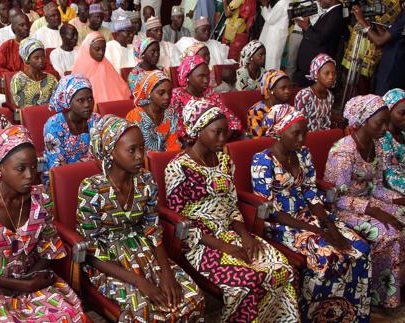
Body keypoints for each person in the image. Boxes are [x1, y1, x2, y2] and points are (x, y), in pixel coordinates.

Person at [166, 100, 300, 322]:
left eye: (225, 132)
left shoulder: (225, 161)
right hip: (201, 241)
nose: (223, 139)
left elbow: (232, 205)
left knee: (283, 269)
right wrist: (223, 246)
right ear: (198, 131)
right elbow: (181, 223)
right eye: (216, 133)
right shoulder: (178, 168)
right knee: (248, 282)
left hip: (231, 232)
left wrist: (246, 236)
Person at [77, 114, 205, 321]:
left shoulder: (145, 180)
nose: (139, 156)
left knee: (193, 298)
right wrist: (140, 282)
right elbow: (90, 252)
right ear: (111, 150)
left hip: (143, 250)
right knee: (144, 311)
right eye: (131, 150)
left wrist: (166, 272)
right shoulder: (91, 189)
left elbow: (152, 230)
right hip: (108, 261)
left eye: (142, 149)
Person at [251, 104, 371, 322]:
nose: (302, 139)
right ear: (279, 132)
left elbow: (311, 193)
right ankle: (316, 317)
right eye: (296, 133)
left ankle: (351, 315)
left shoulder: (303, 154)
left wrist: (329, 224)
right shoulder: (262, 161)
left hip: (309, 215)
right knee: (326, 256)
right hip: (282, 224)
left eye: (305, 132)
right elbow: (270, 211)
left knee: (359, 249)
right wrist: (316, 230)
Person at [0, 125, 87, 322]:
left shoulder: (40, 197)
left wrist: (26, 282)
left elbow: (49, 248)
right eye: (20, 168)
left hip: (33, 277)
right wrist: (18, 286)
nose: (29, 175)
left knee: (66, 316)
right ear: (0, 167)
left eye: (34, 167)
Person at [325, 95, 405, 309]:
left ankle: (397, 284)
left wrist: (399, 200)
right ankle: (380, 295)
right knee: (390, 233)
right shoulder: (343, 151)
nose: (386, 128)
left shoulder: (376, 146)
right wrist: (374, 211)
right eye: (381, 122)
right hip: (343, 210)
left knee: (402, 217)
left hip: (368, 201)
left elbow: (377, 187)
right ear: (363, 120)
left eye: (387, 122)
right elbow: (336, 197)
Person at [43, 75, 100, 184]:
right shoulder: (54, 125)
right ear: (68, 101)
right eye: (80, 100)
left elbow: (101, 154)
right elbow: (58, 166)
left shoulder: (95, 119)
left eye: (90, 98)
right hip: (64, 179)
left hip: (93, 175)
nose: (87, 105)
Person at [173, 55, 242, 143]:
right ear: (188, 76)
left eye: (207, 76)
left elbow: (232, 120)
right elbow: (177, 130)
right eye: (201, 76)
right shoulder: (177, 96)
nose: (206, 80)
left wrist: (220, 141)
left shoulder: (211, 93)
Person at [352, 3, 405, 94]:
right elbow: (388, 38)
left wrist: (361, 20)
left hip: (391, 71)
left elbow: (379, 41)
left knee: (383, 104)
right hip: (395, 70)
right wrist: (373, 24)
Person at [127, 70, 180, 152]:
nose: (167, 97)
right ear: (148, 93)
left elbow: (173, 145)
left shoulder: (171, 113)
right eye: (161, 93)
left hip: (168, 160)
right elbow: (133, 151)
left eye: (169, 93)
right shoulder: (135, 117)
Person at [72, 32, 131, 103]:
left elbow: (122, 90)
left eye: (103, 49)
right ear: (88, 48)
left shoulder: (106, 65)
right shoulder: (79, 68)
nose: (101, 53)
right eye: (97, 49)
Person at [295, 0, 344, 87]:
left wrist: (306, 27)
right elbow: (319, 34)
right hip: (311, 68)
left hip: (316, 68)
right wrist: (308, 25)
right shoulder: (330, 12)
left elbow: (321, 39)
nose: (318, 0)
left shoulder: (335, 14)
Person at [10, 38, 58, 109]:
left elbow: (58, 101)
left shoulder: (51, 79)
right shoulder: (18, 79)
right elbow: (19, 105)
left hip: (50, 115)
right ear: (27, 59)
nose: (41, 60)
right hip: (29, 117)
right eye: (36, 58)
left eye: (42, 57)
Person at [294, 53, 336, 131]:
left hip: (322, 137)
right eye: (327, 73)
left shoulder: (330, 96)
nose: (331, 77)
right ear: (317, 74)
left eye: (333, 73)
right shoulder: (304, 95)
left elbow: (327, 122)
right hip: (306, 137)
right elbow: (299, 124)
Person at [247, 69, 291, 138]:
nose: (287, 91)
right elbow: (257, 141)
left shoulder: (287, 107)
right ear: (271, 90)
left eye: (289, 87)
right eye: (283, 88)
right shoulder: (256, 112)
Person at [381, 89, 405, 195]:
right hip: (389, 190)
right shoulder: (383, 137)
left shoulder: (403, 134)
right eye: (403, 113)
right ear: (389, 111)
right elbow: (389, 176)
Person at [0, 11, 31, 76]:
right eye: (22, 25)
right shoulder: (7, 46)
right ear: (13, 27)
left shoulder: (35, 45)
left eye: (27, 24)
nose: (26, 27)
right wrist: (13, 76)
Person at [258, 0, 290, 70]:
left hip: (275, 38)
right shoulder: (281, 2)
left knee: (271, 64)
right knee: (270, 62)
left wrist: (264, 5)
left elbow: (270, 19)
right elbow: (271, 14)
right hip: (274, 37)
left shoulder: (283, 2)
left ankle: (271, 80)